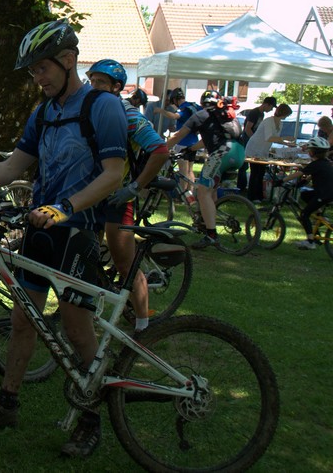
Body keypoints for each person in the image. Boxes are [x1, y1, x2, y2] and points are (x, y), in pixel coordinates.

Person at [0, 20, 126, 458]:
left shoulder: (103, 106)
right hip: (40, 228)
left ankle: (91, 420)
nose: (37, 77)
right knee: (22, 320)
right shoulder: (44, 112)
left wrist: (65, 207)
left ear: (68, 60)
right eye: (33, 71)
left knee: (76, 328)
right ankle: (8, 401)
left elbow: (113, 174)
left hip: (77, 232)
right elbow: (12, 167)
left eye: (42, 68)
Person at [87, 60, 168, 332]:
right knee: (85, 257)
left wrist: (134, 187)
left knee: (125, 265)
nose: (94, 86)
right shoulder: (88, 111)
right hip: (90, 196)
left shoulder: (129, 115)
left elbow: (160, 150)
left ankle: (143, 326)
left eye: (101, 82)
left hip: (117, 198)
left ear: (116, 87)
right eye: (92, 81)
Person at [166, 90, 245, 249]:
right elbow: (207, 139)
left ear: (202, 103)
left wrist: (160, 150)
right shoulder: (222, 115)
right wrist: (191, 149)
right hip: (238, 152)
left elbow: (178, 136)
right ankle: (208, 221)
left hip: (221, 154)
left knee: (202, 191)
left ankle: (211, 235)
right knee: (211, 190)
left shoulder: (199, 115)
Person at [281, 137, 333, 250]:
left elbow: (299, 173)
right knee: (305, 195)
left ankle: (310, 241)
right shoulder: (325, 163)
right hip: (326, 193)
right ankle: (319, 217)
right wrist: (303, 182)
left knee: (304, 214)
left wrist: (282, 180)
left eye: (310, 149)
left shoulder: (316, 164)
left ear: (314, 152)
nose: (309, 151)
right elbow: (313, 175)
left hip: (323, 194)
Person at [154, 88, 201, 200]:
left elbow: (175, 116)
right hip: (194, 142)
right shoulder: (193, 106)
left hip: (183, 143)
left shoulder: (184, 108)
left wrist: (161, 111)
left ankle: (182, 196)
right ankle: (190, 196)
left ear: (175, 99)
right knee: (190, 170)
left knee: (183, 171)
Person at [244, 103, 295, 202]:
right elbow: (269, 137)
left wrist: (287, 143)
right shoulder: (268, 121)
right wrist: (285, 138)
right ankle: (252, 196)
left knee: (261, 173)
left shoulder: (280, 123)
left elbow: (275, 138)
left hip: (263, 150)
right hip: (254, 149)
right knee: (255, 173)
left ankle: (259, 196)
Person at [238, 96, 277, 195]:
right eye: (271, 107)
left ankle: (245, 187)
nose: (271, 110)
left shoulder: (261, 114)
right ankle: (240, 187)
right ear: (266, 104)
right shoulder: (254, 113)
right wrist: (254, 140)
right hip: (247, 139)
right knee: (244, 165)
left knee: (252, 166)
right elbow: (247, 128)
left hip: (252, 140)